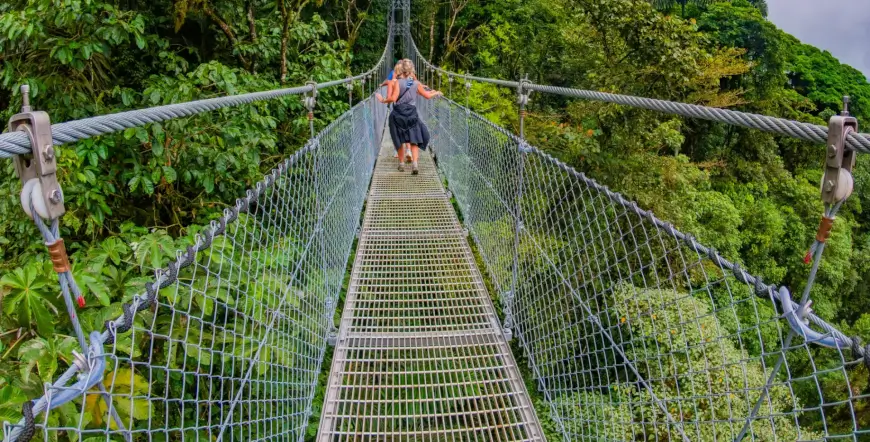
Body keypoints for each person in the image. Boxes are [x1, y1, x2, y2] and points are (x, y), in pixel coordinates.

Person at [376, 59, 440, 174]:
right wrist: (436, 92)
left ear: (401, 70)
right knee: (414, 139)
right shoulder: (416, 83)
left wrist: (383, 100)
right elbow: (427, 96)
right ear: (412, 70)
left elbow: (393, 99)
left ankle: (401, 163)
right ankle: (415, 164)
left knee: (399, 138)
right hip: (411, 114)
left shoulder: (396, 83)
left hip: (398, 114)